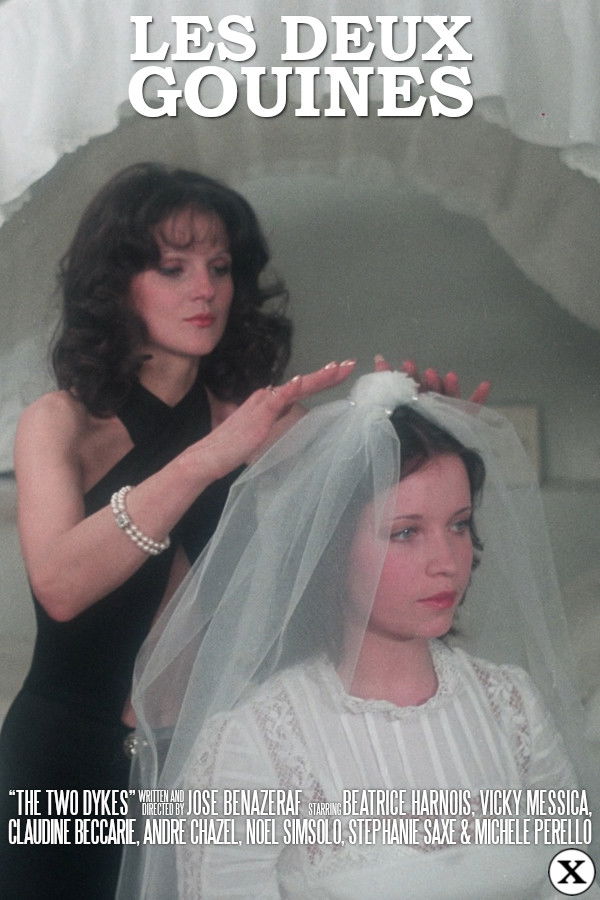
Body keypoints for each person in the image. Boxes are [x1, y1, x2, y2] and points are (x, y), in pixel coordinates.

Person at [0, 162, 357, 899]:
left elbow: (364, 527)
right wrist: (209, 458)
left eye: (220, 268)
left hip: (205, 764)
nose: (205, 290)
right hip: (59, 763)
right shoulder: (59, 423)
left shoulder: (262, 420)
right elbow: (60, 586)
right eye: (174, 268)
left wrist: (425, 435)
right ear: (117, 285)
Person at [125, 371, 598, 899]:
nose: (446, 561)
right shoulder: (253, 743)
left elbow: (576, 880)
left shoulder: (513, 708)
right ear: (330, 548)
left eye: (459, 525)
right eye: (406, 532)